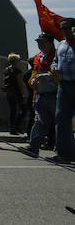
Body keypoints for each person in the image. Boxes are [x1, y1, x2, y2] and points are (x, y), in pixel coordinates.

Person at [26, 33, 58, 155]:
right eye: (38, 42)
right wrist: (32, 82)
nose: (39, 45)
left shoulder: (57, 55)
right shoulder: (38, 57)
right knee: (39, 121)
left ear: (50, 43)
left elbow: (61, 73)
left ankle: (63, 150)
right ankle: (33, 147)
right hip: (42, 94)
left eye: (42, 42)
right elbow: (34, 74)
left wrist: (46, 76)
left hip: (55, 94)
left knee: (60, 123)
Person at [50, 18, 75, 164]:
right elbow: (55, 61)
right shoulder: (61, 45)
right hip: (64, 86)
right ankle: (65, 154)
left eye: (66, 28)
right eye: (62, 28)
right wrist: (54, 66)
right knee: (61, 119)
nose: (63, 31)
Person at [1, 53, 27, 135]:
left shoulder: (6, 70)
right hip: (16, 92)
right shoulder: (18, 71)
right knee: (23, 110)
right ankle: (17, 125)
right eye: (18, 60)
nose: (19, 62)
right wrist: (24, 94)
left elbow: (4, 81)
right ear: (15, 61)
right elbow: (20, 83)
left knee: (12, 111)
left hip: (8, 92)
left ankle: (12, 128)